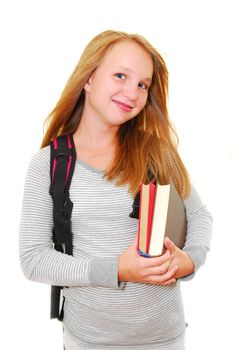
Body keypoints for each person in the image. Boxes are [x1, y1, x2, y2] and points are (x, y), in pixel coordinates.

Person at [19, 30, 213, 350]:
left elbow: (199, 214)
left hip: (165, 337)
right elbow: (34, 260)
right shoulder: (48, 164)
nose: (133, 92)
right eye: (120, 75)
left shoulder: (156, 153)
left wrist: (188, 261)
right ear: (89, 78)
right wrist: (117, 269)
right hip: (89, 340)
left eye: (142, 84)